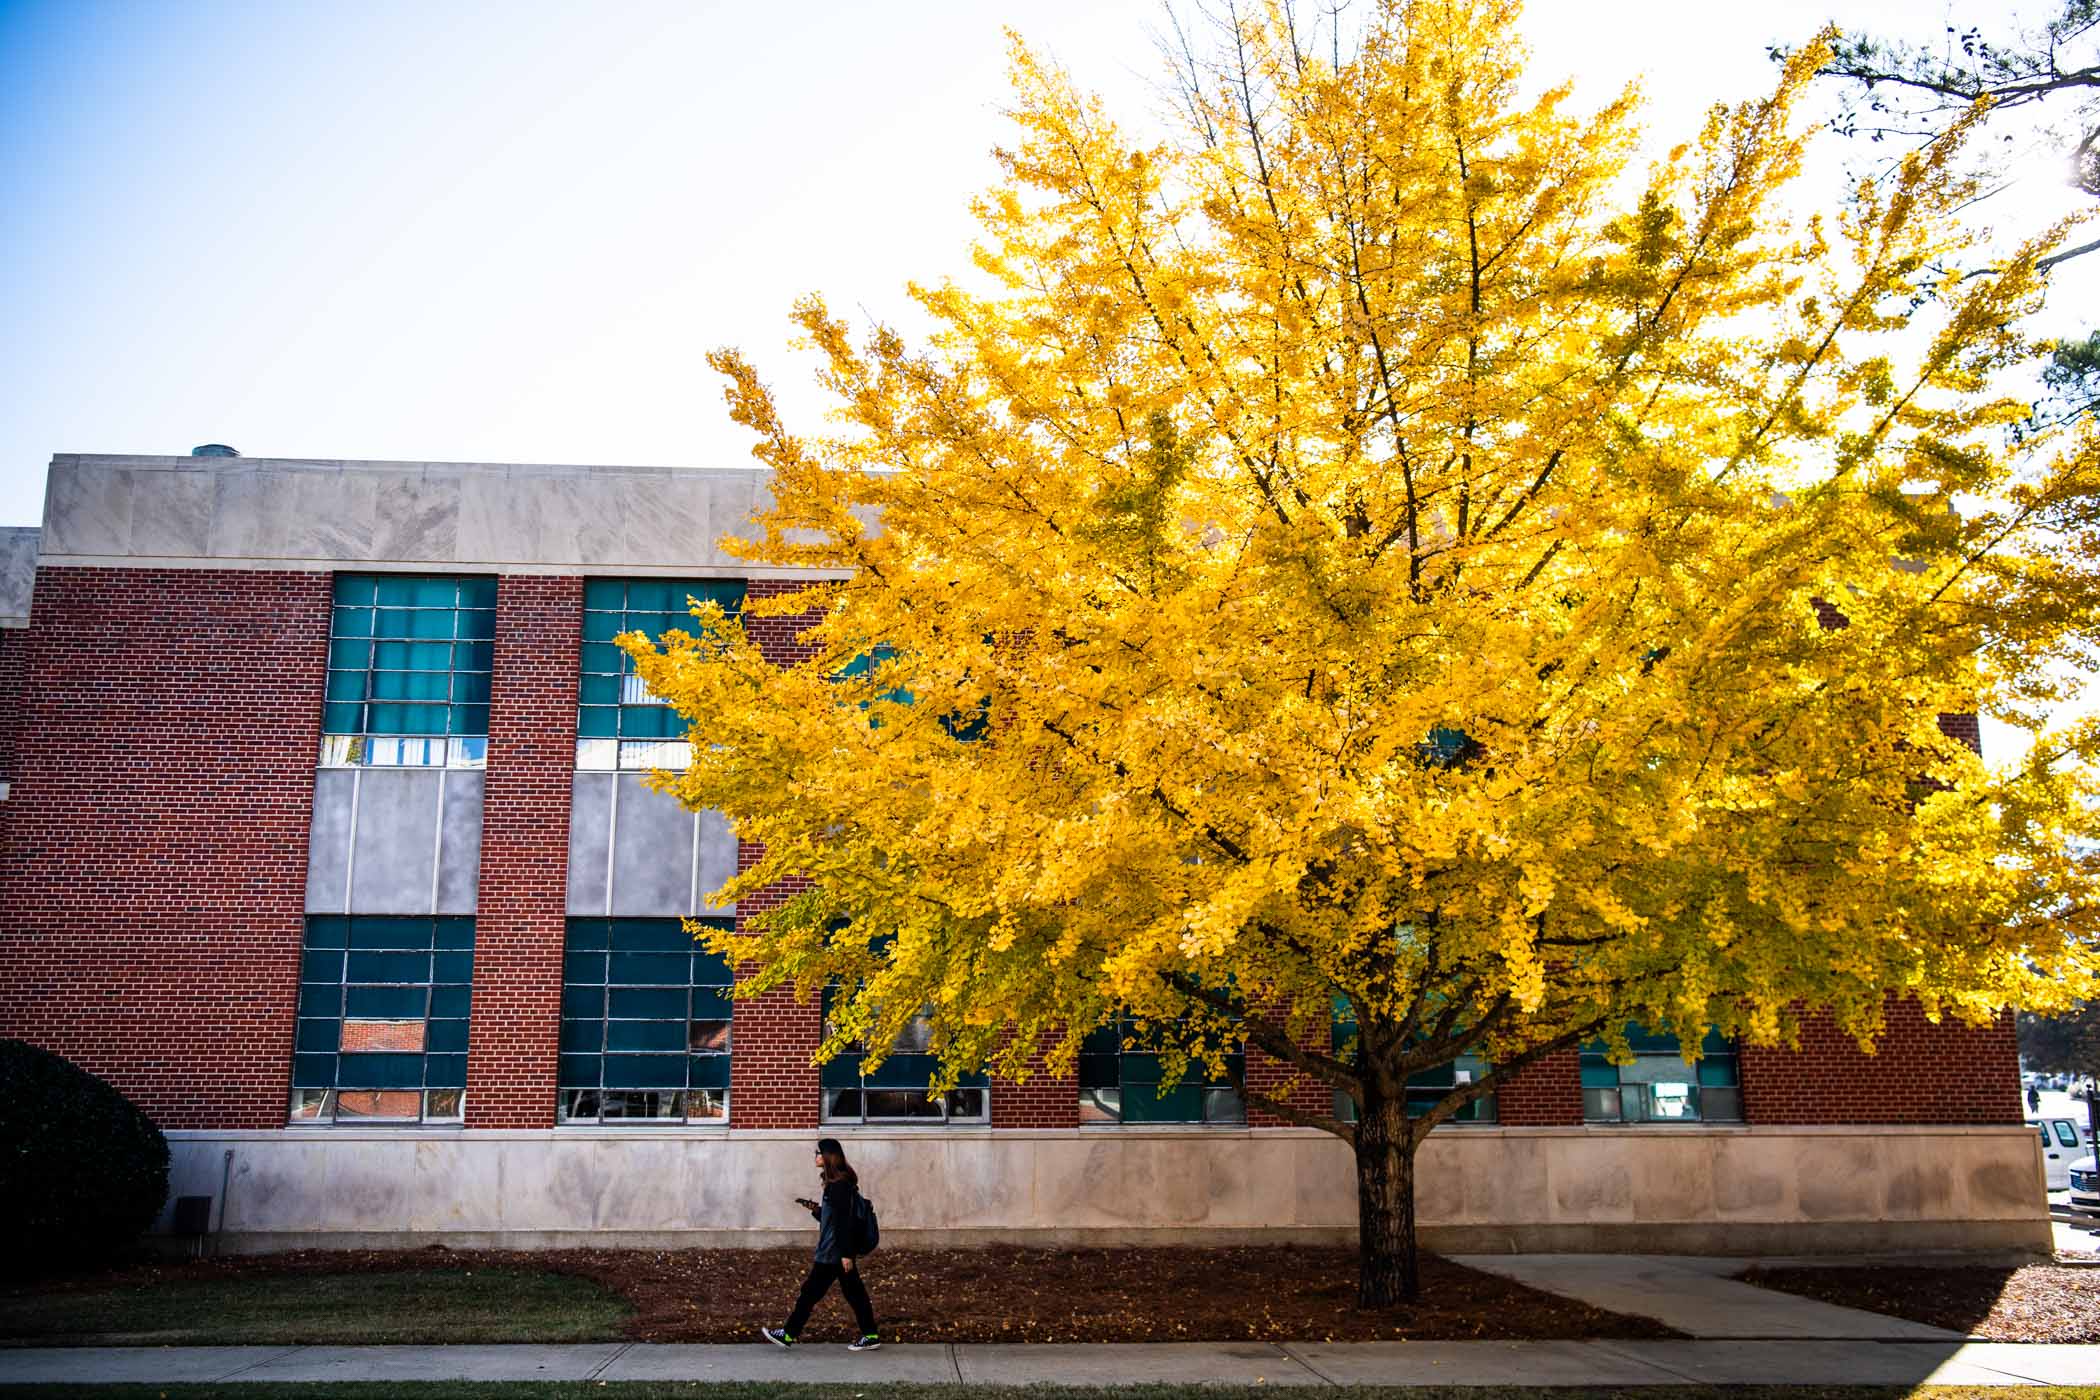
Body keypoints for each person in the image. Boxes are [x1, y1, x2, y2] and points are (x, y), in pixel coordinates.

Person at [762, 1137, 880, 1350]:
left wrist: (846, 1254)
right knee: (854, 1294)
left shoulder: (839, 1187)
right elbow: (834, 1218)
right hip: (837, 1251)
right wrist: (817, 1211)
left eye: (818, 1153)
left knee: (810, 1293)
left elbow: (845, 1223)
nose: (815, 1157)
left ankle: (788, 1334)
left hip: (832, 1253)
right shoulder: (837, 1184)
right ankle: (871, 1335)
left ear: (828, 1157)